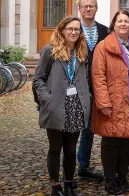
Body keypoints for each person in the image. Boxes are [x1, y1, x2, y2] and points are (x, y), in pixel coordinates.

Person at [33, 16, 92, 196]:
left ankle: (68, 184)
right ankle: (55, 186)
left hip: (76, 106)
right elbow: (38, 79)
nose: (73, 32)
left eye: (77, 29)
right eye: (70, 29)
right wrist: (46, 100)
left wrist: (87, 96)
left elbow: (86, 79)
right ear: (62, 30)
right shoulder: (49, 51)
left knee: (70, 149)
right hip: (56, 106)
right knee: (55, 148)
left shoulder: (82, 51)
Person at [91, 10, 129, 195]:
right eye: (119, 21)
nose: (123, 24)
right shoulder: (103, 46)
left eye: (126, 21)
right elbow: (98, 77)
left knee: (128, 143)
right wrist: (103, 103)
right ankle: (110, 180)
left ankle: (122, 178)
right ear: (113, 24)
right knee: (111, 142)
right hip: (112, 102)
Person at [76, 0, 108, 182]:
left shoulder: (104, 30)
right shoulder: (72, 28)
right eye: (85, 6)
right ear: (79, 9)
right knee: (73, 129)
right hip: (77, 86)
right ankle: (73, 167)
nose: (88, 9)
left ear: (96, 9)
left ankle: (84, 166)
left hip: (99, 85)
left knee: (91, 129)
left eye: (92, 6)